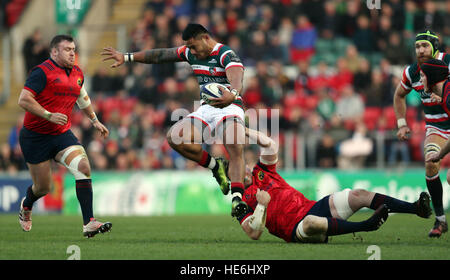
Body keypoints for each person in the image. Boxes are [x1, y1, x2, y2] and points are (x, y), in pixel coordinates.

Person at [101, 23, 248, 217]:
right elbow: (161, 55)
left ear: (205, 38)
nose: (191, 51)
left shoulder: (225, 53)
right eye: (188, 47)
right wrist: (127, 57)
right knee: (174, 137)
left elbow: (237, 75)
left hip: (229, 105)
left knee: (234, 143)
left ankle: (237, 197)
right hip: (207, 108)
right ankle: (215, 166)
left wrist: (233, 93)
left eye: (194, 46)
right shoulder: (190, 52)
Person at [235, 128, 432, 243]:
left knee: (358, 194)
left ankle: (416, 208)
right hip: (296, 229)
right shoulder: (242, 202)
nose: (242, 167)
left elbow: (270, 145)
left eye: (241, 163)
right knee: (312, 222)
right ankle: (367, 226)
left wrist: (244, 131)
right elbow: (254, 233)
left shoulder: (263, 171)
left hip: (313, 207)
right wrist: (262, 206)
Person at [18, 35, 112, 238]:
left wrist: (95, 120)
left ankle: (89, 223)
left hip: (61, 134)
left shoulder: (77, 72)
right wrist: (48, 115)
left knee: (84, 167)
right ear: (54, 52)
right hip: (35, 136)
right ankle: (27, 204)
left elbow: (82, 96)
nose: (72, 53)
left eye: (73, 49)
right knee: (43, 188)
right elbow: (23, 99)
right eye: (67, 49)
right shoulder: (41, 72)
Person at [393, 30, 450, 238]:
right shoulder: (412, 72)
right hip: (437, 128)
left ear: (435, 47)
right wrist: (402, 124)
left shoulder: (449, 63)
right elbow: (399, 95)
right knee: (430, 163)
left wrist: (444, 97)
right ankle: (441, 220)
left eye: (425, 46)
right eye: (417, 47)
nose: (420, 50)